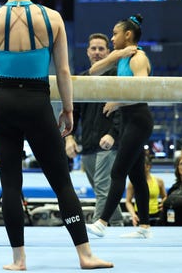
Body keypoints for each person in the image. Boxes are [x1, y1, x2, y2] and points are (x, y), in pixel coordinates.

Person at [0, 0, 112, 270]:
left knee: (10, 185)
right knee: (61, 181)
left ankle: (18, 259)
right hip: (37, 103)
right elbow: (63, 71)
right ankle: (85, 255)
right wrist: (69, 109)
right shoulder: (53, 18)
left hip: (3, 103)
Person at [86, 13, 155, 239]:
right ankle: (144, 227)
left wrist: (117, 102)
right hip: (129, 120)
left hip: (138, 119)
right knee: (136, 176)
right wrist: (115, 55)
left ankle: (102, 222)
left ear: (128, 34)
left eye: (115, 34)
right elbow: (93, 71)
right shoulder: (123, 57)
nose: (112, 38)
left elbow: (143, 90)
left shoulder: (137, 58)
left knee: (117, 171)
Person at [65, 33, 124, 226]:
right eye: (94, 48)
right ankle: (116, 222)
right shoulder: (82, 79)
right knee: (102, 189)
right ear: (88, 52)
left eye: (101, 49)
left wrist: (113, 134)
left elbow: (122, 108)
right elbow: (74, 112)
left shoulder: (116, 75)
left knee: (102, 186)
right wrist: (70, 138)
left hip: (109, 142)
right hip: (89, 144)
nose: (97, 52)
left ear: (108, 52)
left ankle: (99, 227)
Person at [125, 155, 167, 226]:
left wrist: (163, 204)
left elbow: (165, 197)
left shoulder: (159, 181)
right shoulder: (132, 182)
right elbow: (128, 201)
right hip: (139, 216)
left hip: (156, 216)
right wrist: (133, 214)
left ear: (148, 166)